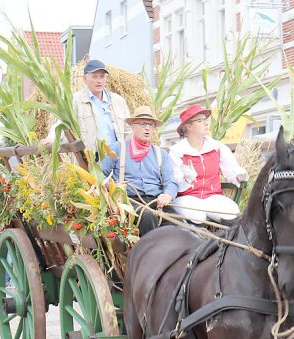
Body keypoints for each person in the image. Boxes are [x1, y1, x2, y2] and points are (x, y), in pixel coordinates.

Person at [168, 103, 247, 224]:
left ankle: (227, 242)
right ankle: (198, 241)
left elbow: (231, 170)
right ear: (188, 126)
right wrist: (187, 179)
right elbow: (174, 183)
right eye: (200, 120)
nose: (206, 123)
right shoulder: (177, 151)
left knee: (232, 212)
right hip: (186, 198)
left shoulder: (217, 147)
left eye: (206, 120)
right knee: (196, 215)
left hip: (212, 196)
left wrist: (238, 175)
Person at [109, 106, 180, 235]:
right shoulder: (118, 148)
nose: (147, 128)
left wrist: (167, 194)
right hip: (129, 201)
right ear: (132, 126)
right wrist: (114, 187)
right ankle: (152, 253)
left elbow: (170, 180)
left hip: (156, 201)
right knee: (147, 216)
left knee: (177, 221)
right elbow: (99, 176)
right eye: (142, 124)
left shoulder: (161, 153)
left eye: (151, 125)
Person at [48, 59, 129, 152]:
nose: (99, 81)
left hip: (116, 157)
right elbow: (62, 123)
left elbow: (128, 130)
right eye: (95, 77)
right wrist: (51, 138)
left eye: (102, 77)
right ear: (84, 79)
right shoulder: (75, 101)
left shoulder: (118, 100)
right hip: (91, 159)